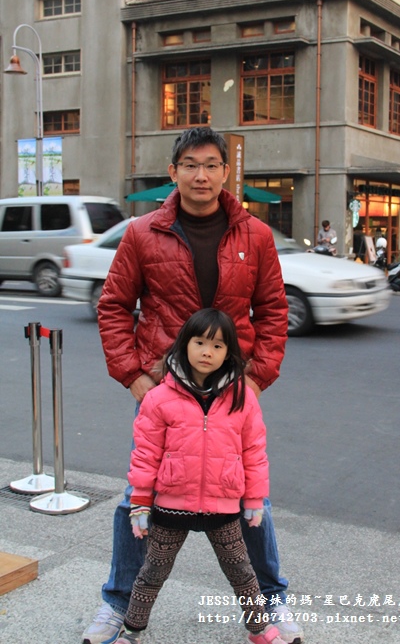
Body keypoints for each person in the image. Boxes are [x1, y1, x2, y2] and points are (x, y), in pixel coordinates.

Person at [83, 127, 302, 644]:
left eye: (210, 165)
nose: (200, 175)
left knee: (252, 497)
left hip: (233, 389)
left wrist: (257, 379)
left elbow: (273, 310)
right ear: (173, 171)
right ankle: (117, 605)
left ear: (226, 171)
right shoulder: (142, 233)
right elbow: (114, 306)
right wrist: (135, 377)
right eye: (190, 165)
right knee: (138, 496)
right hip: (164, 390)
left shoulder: (255, 235)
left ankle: (270, 601)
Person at [114, 309, 286, 644]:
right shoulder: (159, 398)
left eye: (218, 346)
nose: (208, 352)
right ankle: (131, 630)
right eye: (200, 342)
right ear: (184, 344)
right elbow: (146, 453)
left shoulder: (242, 398)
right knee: (152, 573)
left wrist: (254, 498)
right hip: (171, 505)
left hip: (223, 506)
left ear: (229, 353)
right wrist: (140, 501)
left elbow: (254, 452)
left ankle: (261, 629)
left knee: (242, 572)